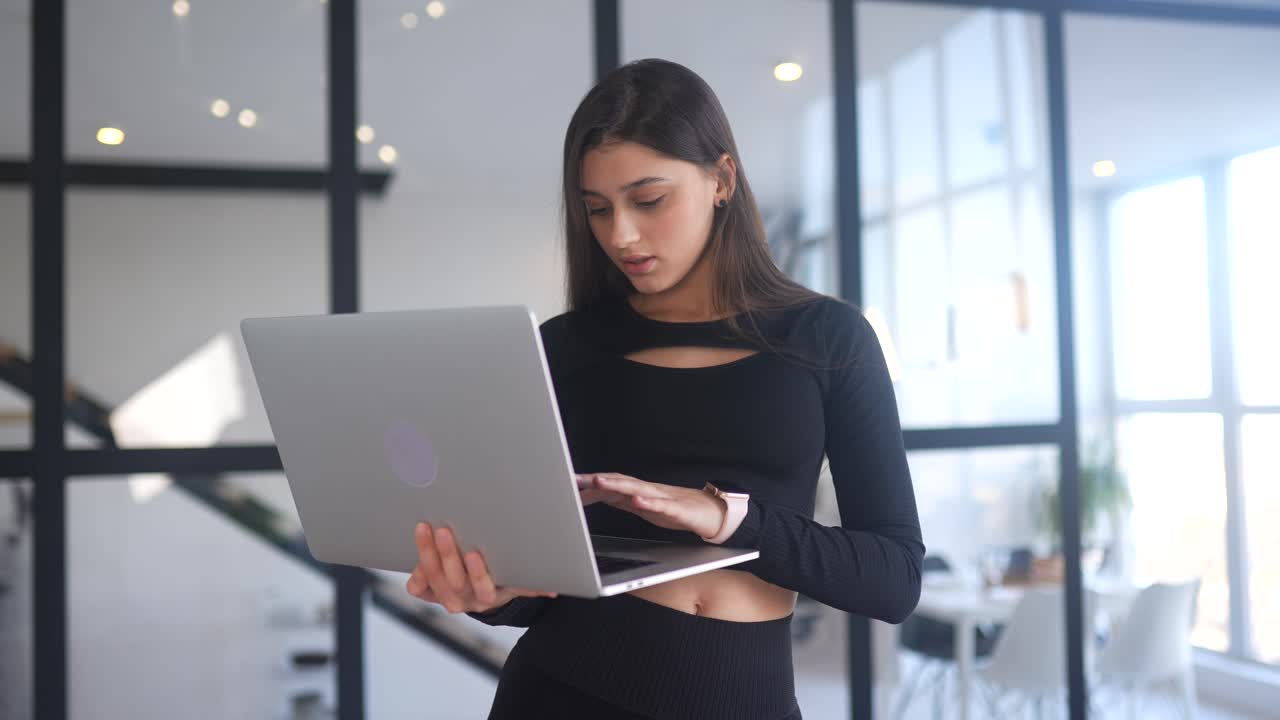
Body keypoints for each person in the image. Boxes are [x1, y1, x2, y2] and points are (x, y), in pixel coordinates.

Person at [404, 58, 923, 720]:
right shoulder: (565, 347)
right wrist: (492, 594)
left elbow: (894, 578)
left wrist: (731, 520)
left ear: (722, 179)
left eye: (648, 200)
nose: (620, 234)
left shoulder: (827, 338)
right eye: (597, 209)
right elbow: (548, 584)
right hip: (563, 690)